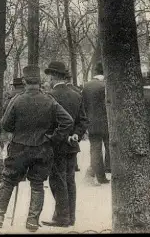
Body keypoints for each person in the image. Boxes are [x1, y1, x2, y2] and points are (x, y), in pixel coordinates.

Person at [0, 65, 73, 232]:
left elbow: (5, 125)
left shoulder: (17, 100)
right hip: (42, 149)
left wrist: (18, 129)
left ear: (25, 81)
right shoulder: (49, 100)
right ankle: (33, 221)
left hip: (19, 148)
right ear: (40, 82)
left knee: (8, 181)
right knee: (37, 184)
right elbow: (68, 121)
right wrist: (53, 138)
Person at [42, 61, 89, 228]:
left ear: (54, 77)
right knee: (70, 180)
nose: (48, 80)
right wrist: (75, 135)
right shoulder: (77, 94)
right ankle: (71, 216)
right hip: (72, 145)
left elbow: (48, 123)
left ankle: (61, 217)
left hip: (56, 144)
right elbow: (83, 120)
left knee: (57, 179)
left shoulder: (50, 96)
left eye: (49, 77)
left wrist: (53, 138)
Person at [81, 62, 111, 185]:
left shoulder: (86, 86)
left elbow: (83, 105)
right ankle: (109, 168)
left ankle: (99, 176)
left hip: (92, 122)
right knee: (110, 147)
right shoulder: (107, 85)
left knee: (95, 149)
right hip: (107, 122)